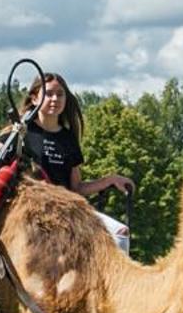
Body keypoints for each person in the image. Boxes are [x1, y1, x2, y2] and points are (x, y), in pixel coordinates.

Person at [18, 71, 133, 253]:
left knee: (120, 233)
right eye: (49, 94)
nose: (55, 99)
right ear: (34, 98)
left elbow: (76, 187)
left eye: (60, 94)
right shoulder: (21, 132)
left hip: (68, 209)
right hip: (35, 211)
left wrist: (110, 180)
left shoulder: (68, 138)